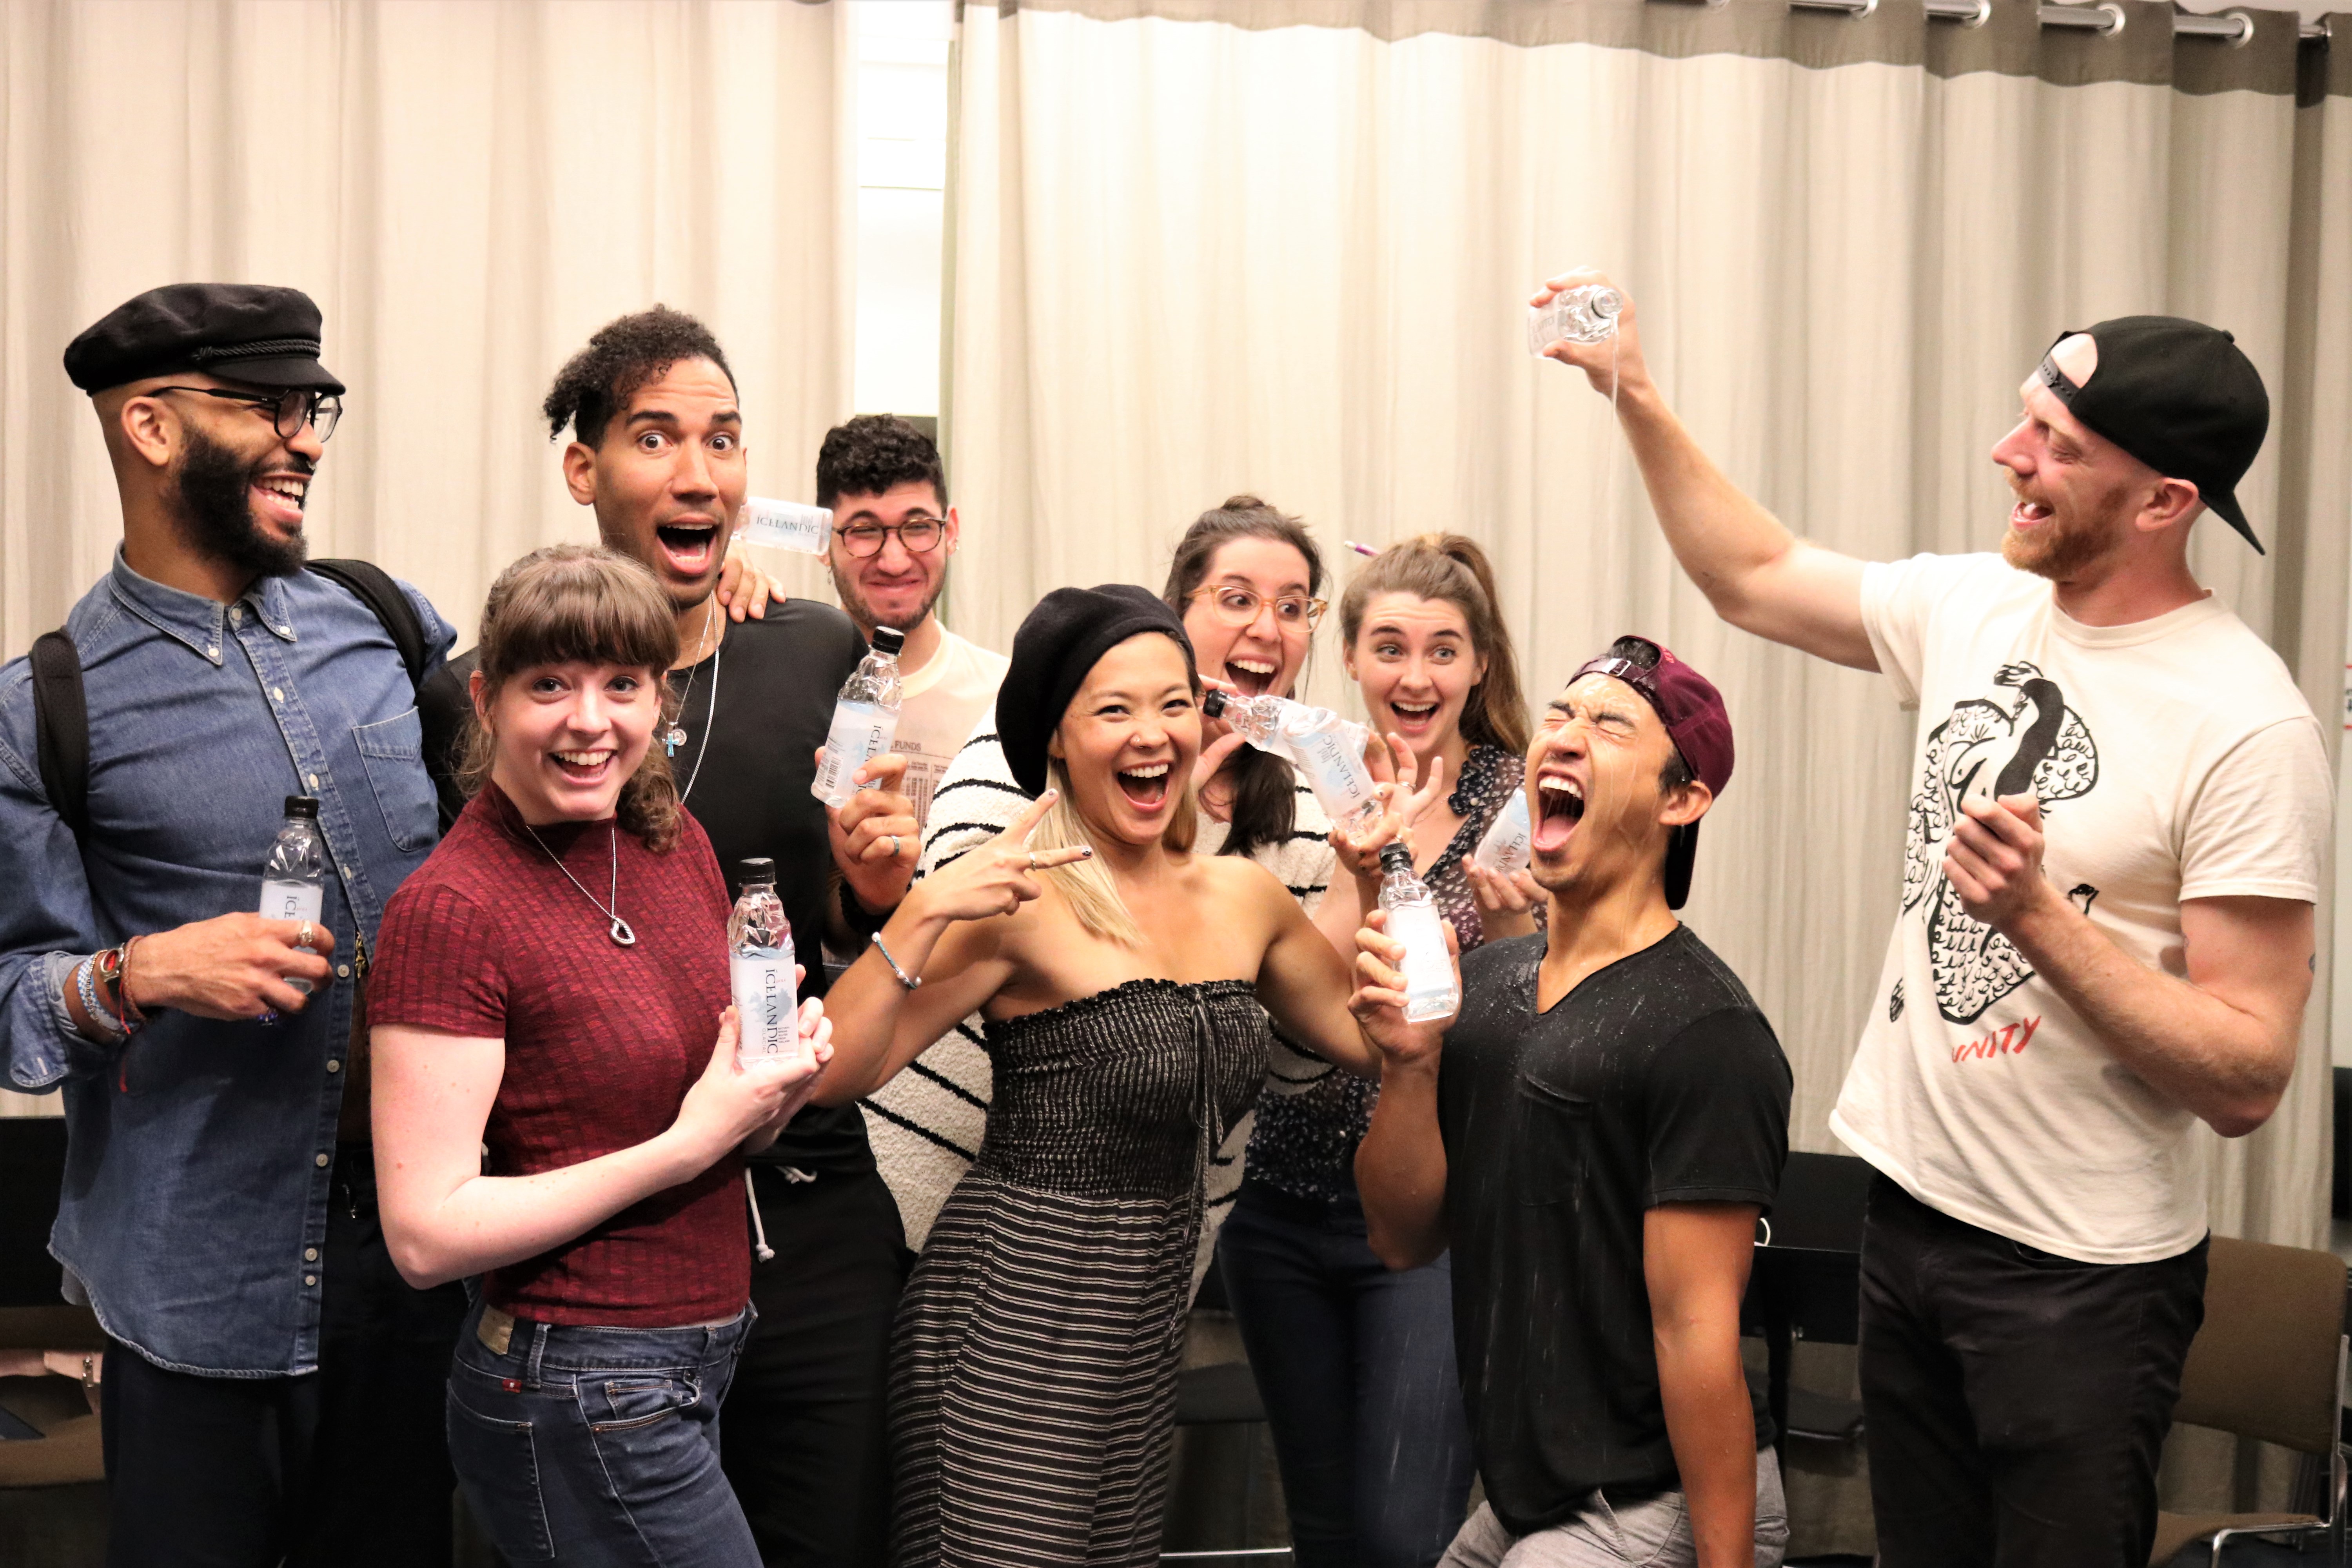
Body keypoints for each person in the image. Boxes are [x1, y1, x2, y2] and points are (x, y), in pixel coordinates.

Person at [1538, 274, 2328, 1566]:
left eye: (2057, 445)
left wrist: (2035, 918)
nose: (2009, 454)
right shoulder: (1979, 607)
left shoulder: (2245, 723)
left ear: (2164, 502)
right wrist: (1632, 390)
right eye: (2027, 419)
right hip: (1908, 1217)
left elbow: (2247, 1074)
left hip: (2081, 1282)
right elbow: (1753, 575)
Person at [418, 306, 920, 1568]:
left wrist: (872, 893)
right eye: (655, 439)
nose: (699, 473)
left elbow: (828, 923)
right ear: (582, 470)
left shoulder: (810, 647)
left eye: (724, 439)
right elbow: (472, 963)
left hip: (807, 1200)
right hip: (603, 1244)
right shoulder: (487, 696)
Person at [0, 283, 467, 1566]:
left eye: (312, 408)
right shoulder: (45, 710)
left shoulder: (387, 622)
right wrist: (140, 972)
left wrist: (706, 599)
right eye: (266, 406)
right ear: (151, 427)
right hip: (196, 1288)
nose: (304, 438)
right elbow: (11, 1002)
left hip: (414, 1263)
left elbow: (557, 756)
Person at [817, 584, 1396, 1568]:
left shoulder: (1245, 897)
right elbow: (835, 1070)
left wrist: (1374, 875)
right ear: (1055, 736)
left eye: (1174, 703)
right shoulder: (1019, 898)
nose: (1152, 734)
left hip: (1137, 1339)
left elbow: (1371, 1036)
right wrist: (918, 912)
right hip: (1006, 1323)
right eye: (1114, 708)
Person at [370, 544, 834, 1566]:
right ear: (487, 701)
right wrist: (685, 1145)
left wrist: (775, 1086)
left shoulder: (670, 843)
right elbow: (425, 1234)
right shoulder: (450, 910)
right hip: (574, 1383)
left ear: (661, 699)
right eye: (551, 685)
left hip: (695, 1358)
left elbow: (725, 1124)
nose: (591, 721)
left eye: (623, 684)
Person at [1355, 635, 1794, 1568]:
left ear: (1683, 799)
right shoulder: (1490, 984)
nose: (1563, 734)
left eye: (1610, 725)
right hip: (1535, 1494)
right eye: (1559, 713)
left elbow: (1694, 1334)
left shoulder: (1707, 1031)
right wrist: (1410, 1064)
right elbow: (1402, 1237)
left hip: (1654, 1498)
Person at [880, 497, 1372, 1260]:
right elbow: (961, 915)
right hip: (945, 1193)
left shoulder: (1308, 817)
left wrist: (1357, 886)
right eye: (1237, 598)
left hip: (1143, 1256)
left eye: (1293, 606)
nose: (1267, 628)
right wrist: (1152, 831)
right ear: (1175, 617)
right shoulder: (1037, 743)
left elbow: (1292, 1064)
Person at [1212, 532, 1539, 1568]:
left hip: (1433, 1220)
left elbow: (1547, 1028)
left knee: (1406, 1534)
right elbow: (1288, 994)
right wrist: (1357, 866)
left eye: (1444, 650)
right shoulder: (1300, 786)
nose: (1416, 676)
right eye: (1390, 647)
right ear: (1348, 654)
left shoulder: (1522, 803)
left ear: (1481, 665)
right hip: (1274, 1204)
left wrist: (1517, 933)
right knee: (1324, 1531)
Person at [817, 414, 1008, 832]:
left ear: (951, 531)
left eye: (918, 528)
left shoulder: (1006, 698)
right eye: (865, 531)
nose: (894, 561)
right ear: (823, 541)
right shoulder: (786, 686)